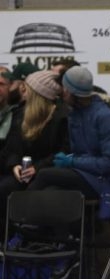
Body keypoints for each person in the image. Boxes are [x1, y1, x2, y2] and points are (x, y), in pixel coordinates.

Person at [28, 66, 110, 279]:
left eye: (64, 89)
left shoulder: (104, 117)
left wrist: (72, 161)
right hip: (84, 174)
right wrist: (72, 159)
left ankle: (22, 224)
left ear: (71, 92)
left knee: (44, 176)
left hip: (103, 182)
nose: (61, 92)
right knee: (54, 192)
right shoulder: (74, 114)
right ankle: (68, 249)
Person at [0, 69, 68, 234]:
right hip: (21, 172)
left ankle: (34, 237)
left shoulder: (61, 118)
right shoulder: (21, 114)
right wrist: (14, 165)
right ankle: (7, 239)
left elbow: (64, 152)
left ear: (38, 93)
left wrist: (37, 168)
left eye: (27, 88)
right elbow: (12, 147)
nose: (23, 91)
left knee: (41, 190)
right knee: (4, 187)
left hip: (47, 171)